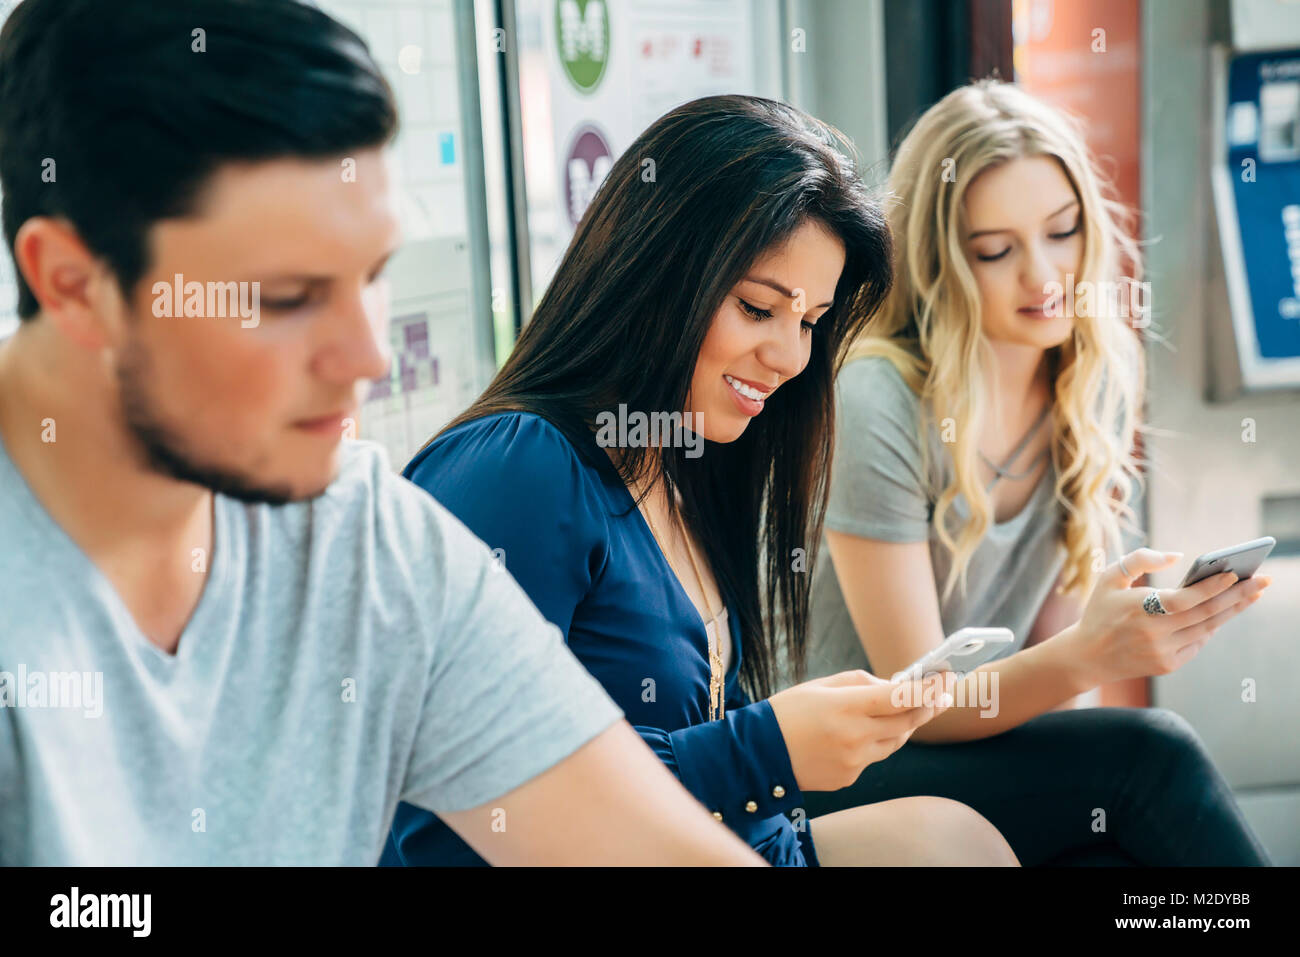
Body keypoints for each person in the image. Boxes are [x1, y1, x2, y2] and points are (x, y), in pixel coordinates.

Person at [0, 0, 768, 866]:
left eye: (372, 275)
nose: (367, 357)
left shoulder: (362, 532)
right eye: (286, 298)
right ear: (70, 283)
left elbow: (646, 845)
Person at [382, 95, 1019, 867]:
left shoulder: (685, 463)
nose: (790, 357)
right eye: (758, 308)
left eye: (811, 320)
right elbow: (468, 813)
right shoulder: (520, 469)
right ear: (656, 274)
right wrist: (768, 748)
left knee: (961, 840)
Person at [799, 80, 1271, 865]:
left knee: (1110, 850)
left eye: (1062, 231)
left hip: (973, 757)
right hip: (842, 764)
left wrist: (1107, 631)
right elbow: (913, 702)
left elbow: (1043, 684)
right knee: (1150, 756)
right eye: (996, 250)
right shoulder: (875, 398)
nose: (1045, 274)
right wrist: (1095, 650)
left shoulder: (1088, 387)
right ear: (939, 260)